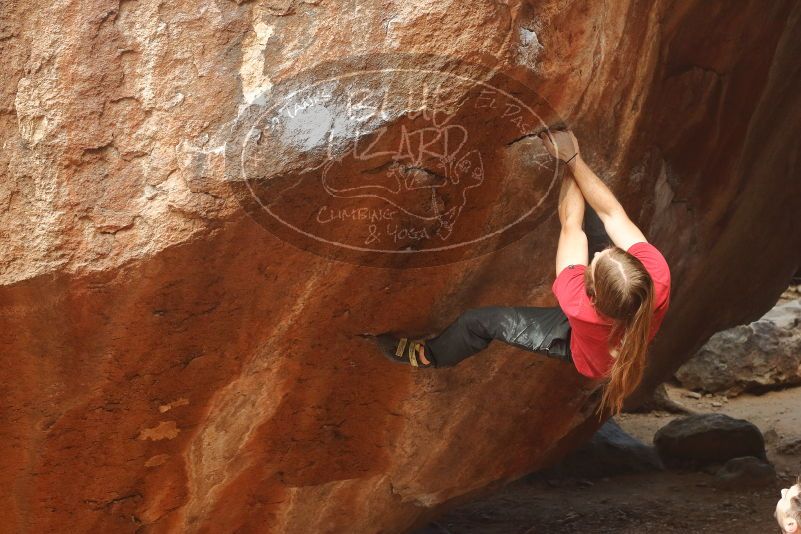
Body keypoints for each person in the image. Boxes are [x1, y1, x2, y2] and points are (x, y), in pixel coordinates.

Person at [368, 129, 671, 419]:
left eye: (596, 261)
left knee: (480, 322)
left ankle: (429, 355)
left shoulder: (576, 303)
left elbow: (571, 226)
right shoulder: (656, 275)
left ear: (589, 291)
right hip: (619, 322)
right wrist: (574, 160)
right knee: (598, 217)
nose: (601, 251)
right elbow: (613, 215)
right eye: (608, 253)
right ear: (636, 268)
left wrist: (568, 162)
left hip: (580, 348)